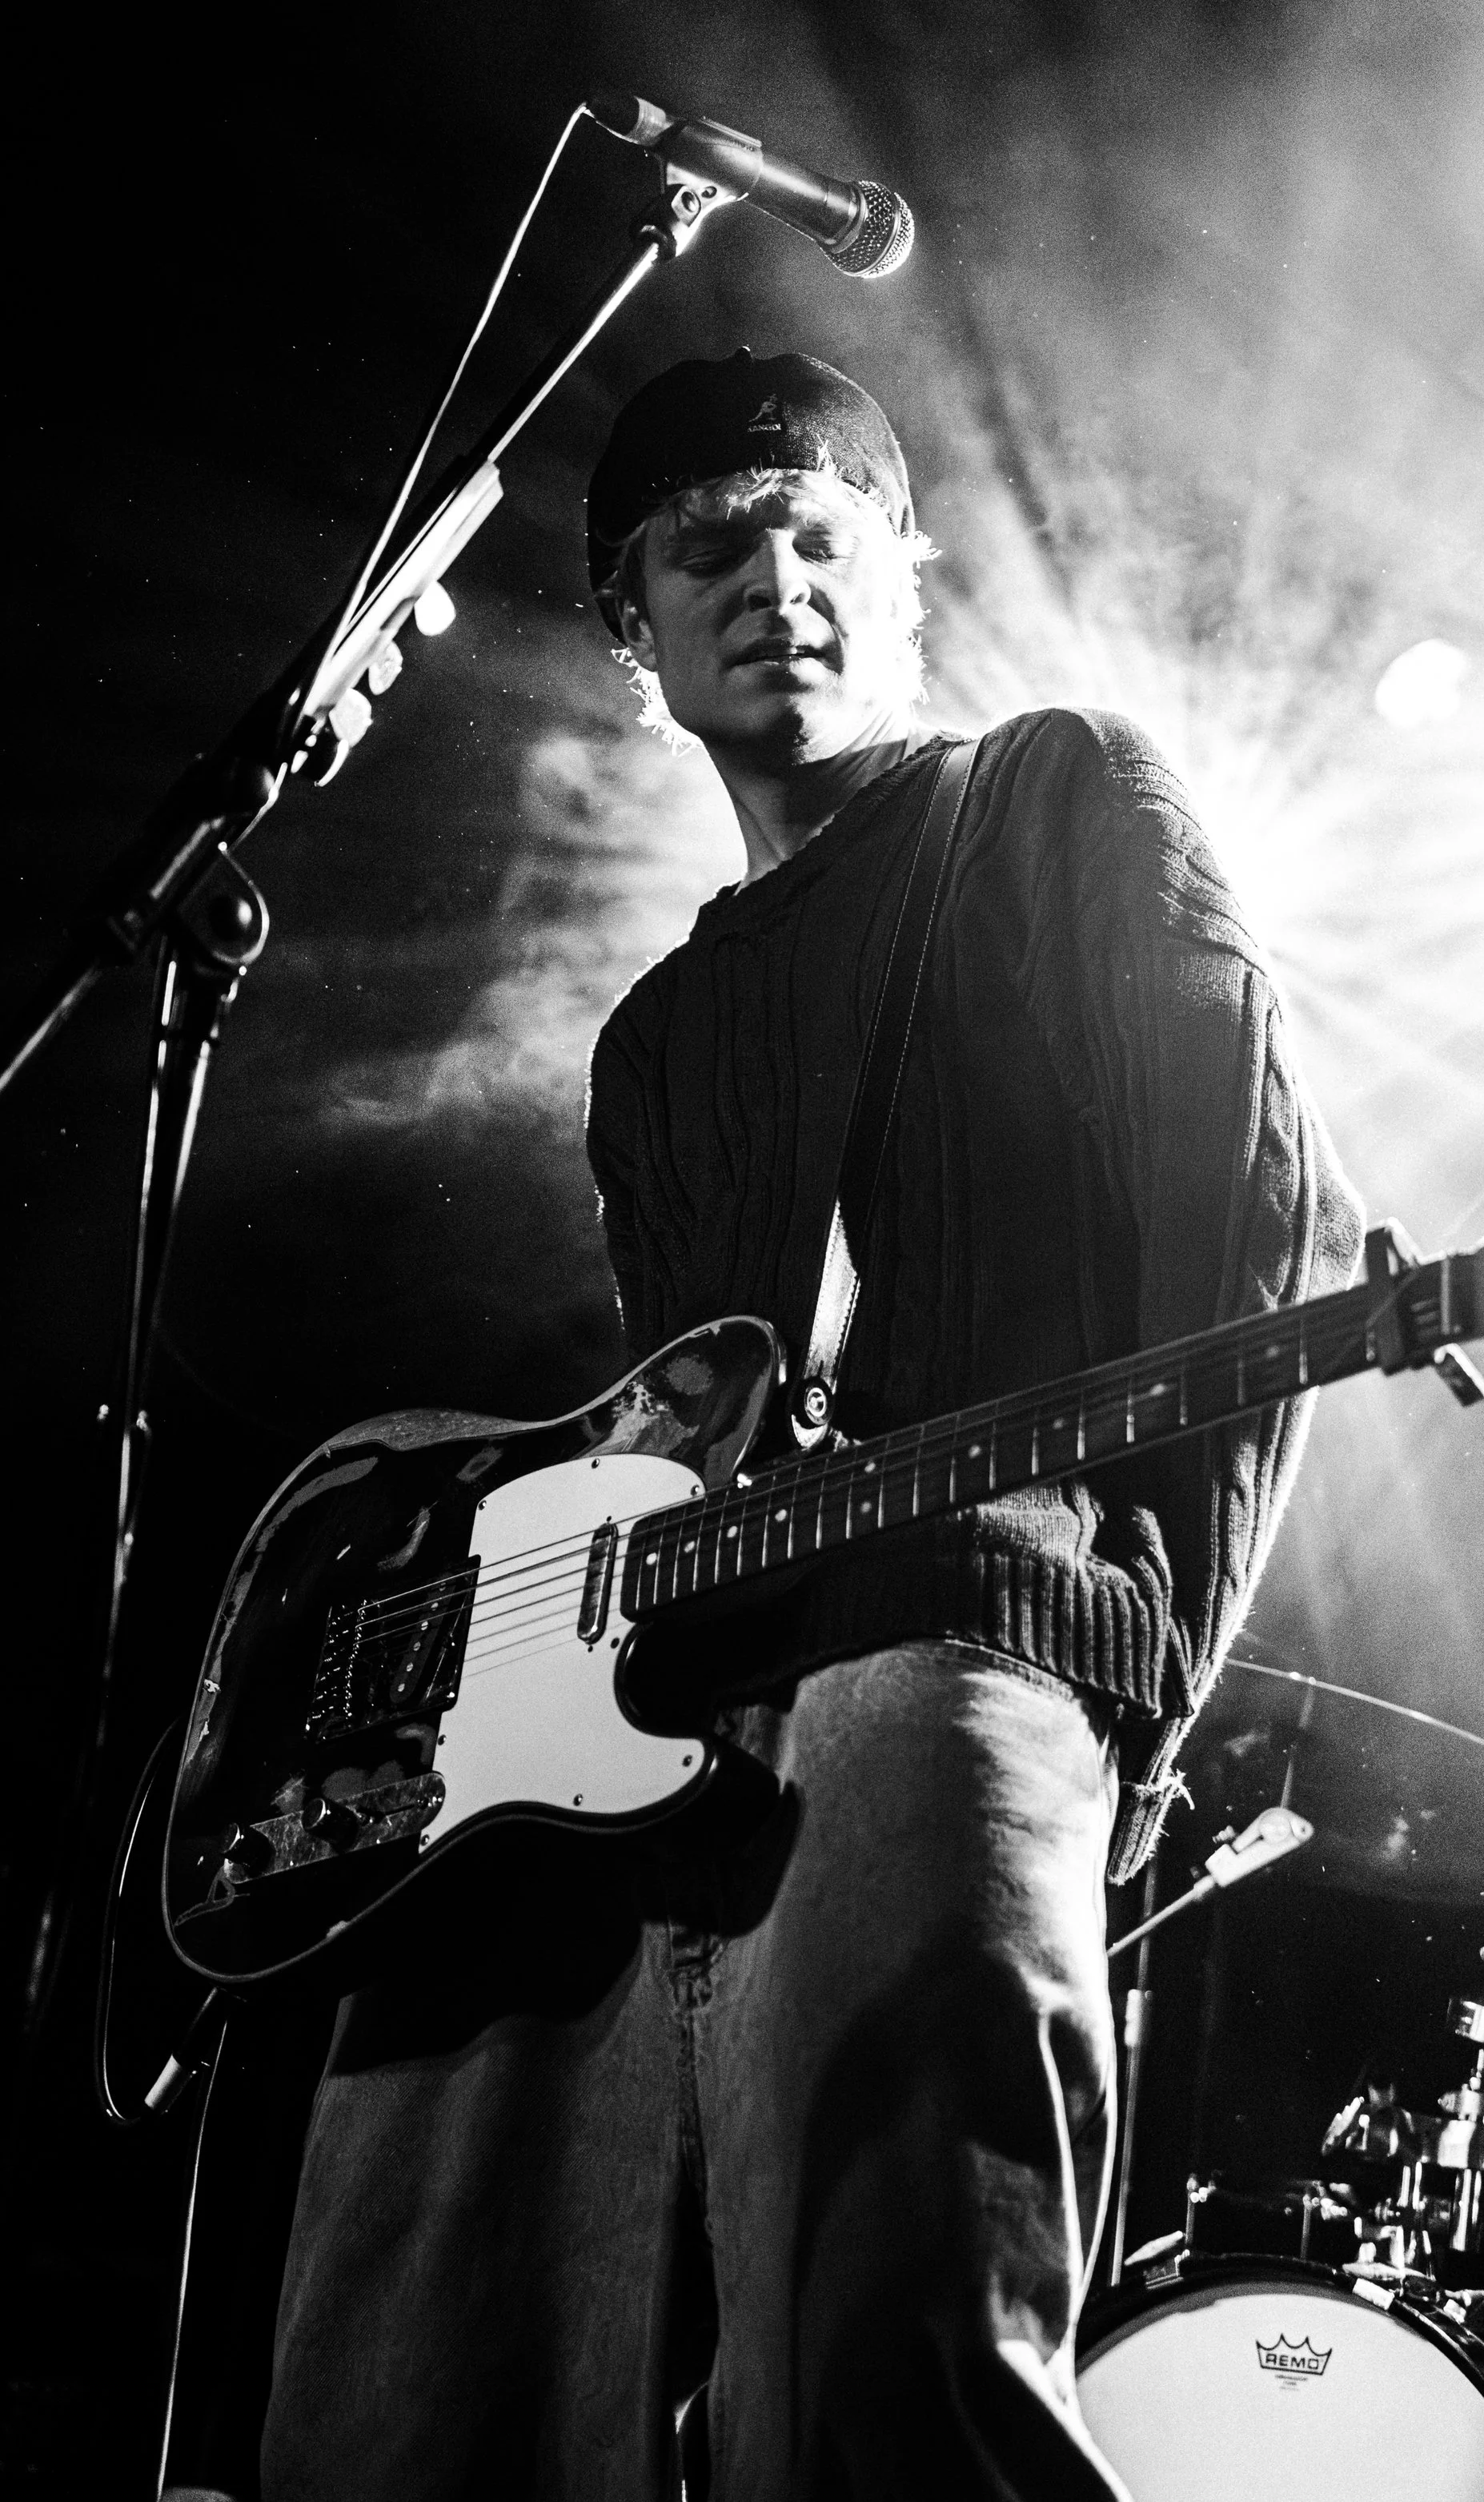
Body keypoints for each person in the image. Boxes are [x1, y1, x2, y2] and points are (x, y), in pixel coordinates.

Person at [259, 348, 1362, 2502]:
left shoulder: (1051, 798)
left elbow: (1265, 1226)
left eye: (816, 530)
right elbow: (668, 1418)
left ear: (903, 570)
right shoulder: (655, 1038)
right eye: (708, 548)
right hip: (632, 1720)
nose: (770, 576)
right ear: (635, 629)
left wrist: (1135, 1676)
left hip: (958, 1620)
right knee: (420, 2371)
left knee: (886, 2355)